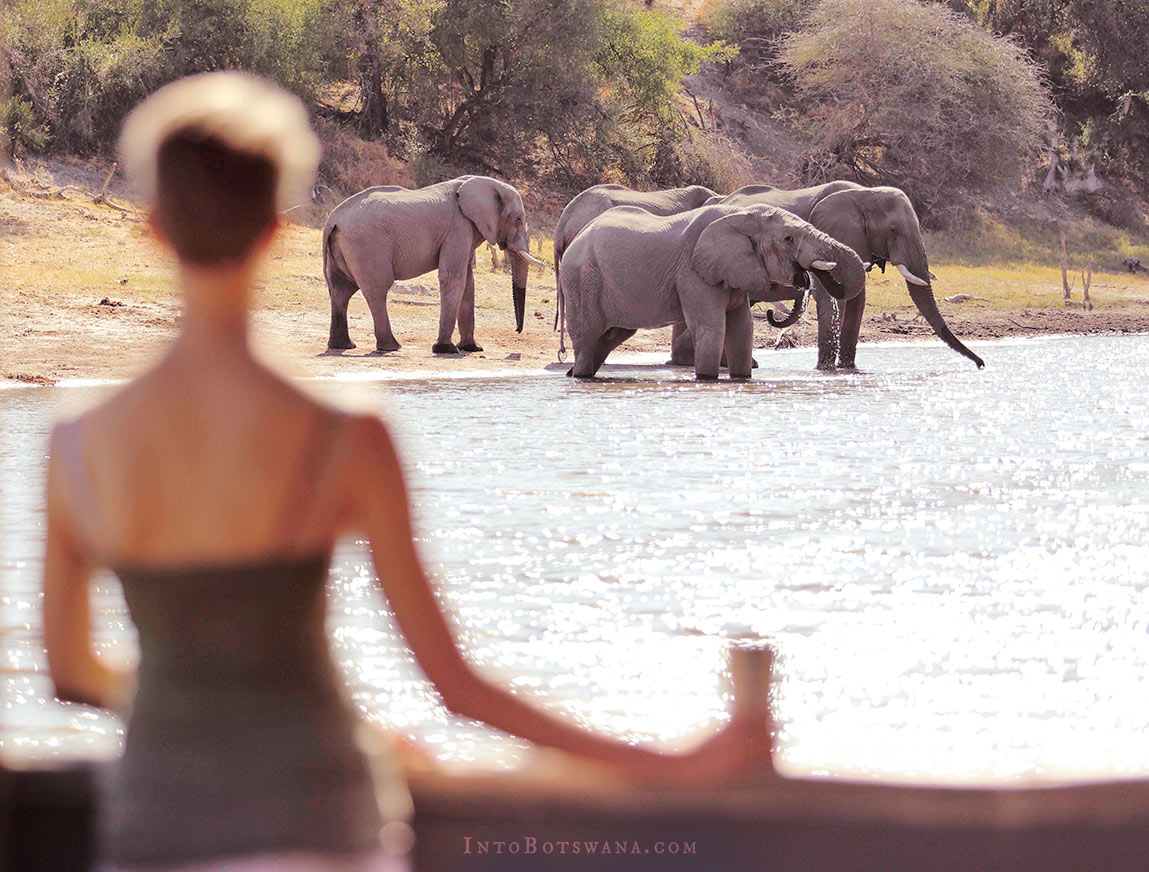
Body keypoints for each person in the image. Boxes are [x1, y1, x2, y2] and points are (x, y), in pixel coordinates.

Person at [41, 72, 771, 872]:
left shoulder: (78, 439)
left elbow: (72, 668)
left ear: (153, 231)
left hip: (156, 825)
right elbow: (455, 686)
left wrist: (198, 712)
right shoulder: (344, 432)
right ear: (275, 234)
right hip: (318, 819)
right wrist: (672, 765)